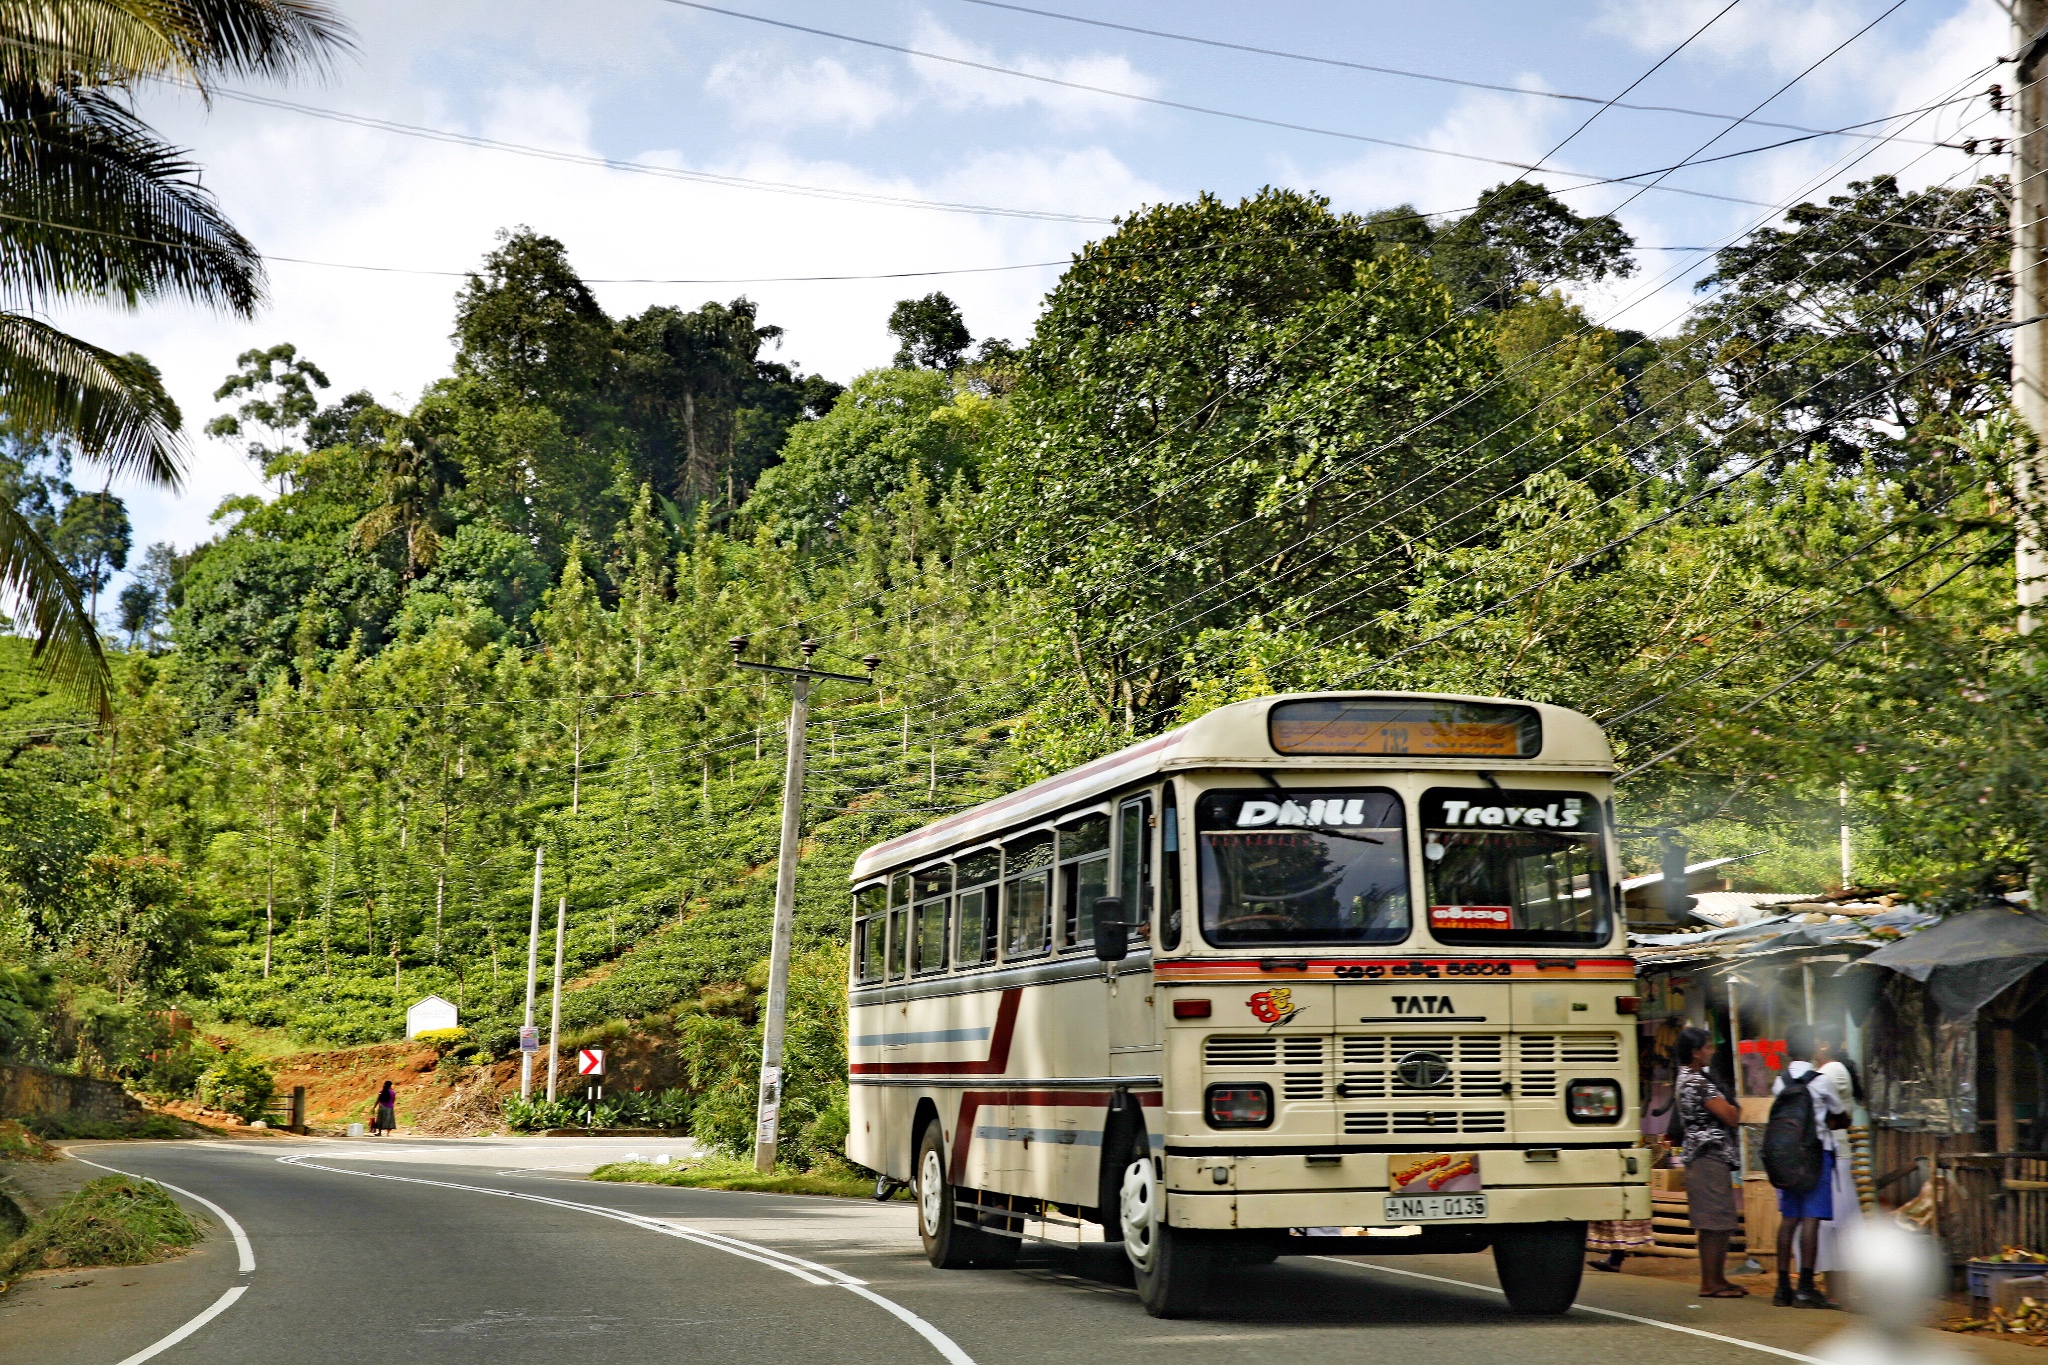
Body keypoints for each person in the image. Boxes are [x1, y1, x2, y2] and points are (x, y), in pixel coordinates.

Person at [1770, 1023, 1849, 1309]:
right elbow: (1841, 1116)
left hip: (1787, 1158)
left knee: (1788, 1219)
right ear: (1811, 1046)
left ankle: (1782, 1288)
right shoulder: (1820, 1080)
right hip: (1817, 1156)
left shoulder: (1779, 1082)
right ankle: (1805, 1287)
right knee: (1811, 1220)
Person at [1676, 1025, 1746, 1297]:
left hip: (1703, 1155)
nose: (1711, 1052)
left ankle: (1717, 1278)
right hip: (1708, 1155)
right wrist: (1735, 1108)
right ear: (1695, 1052)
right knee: (1714, 1220)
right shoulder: (1696, 1082)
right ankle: (1711, 1282)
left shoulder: (1687, 1078)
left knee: (1715, 1220)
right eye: (1707, 1047)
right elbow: (1730, 1116)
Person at [1809, 1028, 1865, 1289]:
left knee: (1836, 1224)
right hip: (1828, 1153)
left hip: (1836, 1154)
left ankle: (1841, 1288)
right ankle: (1834, 1287)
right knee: (1829, 1225)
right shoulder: (1825, 1071)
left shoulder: (1832, 1072)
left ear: (1825, 1046)